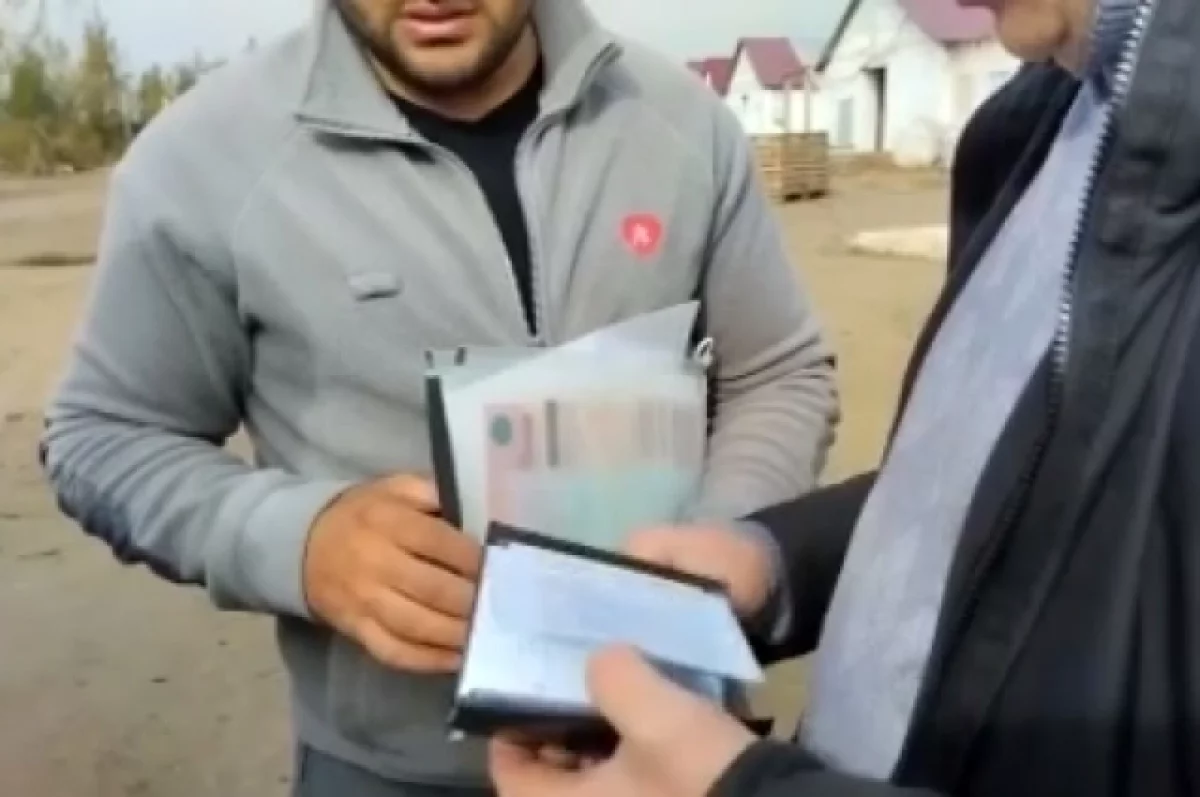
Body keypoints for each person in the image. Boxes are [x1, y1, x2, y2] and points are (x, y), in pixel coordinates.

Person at [38, 0, 838, 794]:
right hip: (385, 773)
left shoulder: (681, 126)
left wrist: (720, 550)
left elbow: (777, 371)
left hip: (676, 753)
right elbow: (103, 434)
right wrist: (300, 544)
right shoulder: (203, 159)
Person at [487, 0, 1200, 794]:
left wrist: (743, 788)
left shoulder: (679, 124)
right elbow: (993, 497)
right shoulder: (1034, 127)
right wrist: (774, 558)